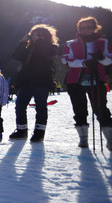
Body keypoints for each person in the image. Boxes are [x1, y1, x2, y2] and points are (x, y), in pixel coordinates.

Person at [62, 17, 112, 148]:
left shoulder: (103, 42)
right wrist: (84, 63)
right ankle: (83, 139)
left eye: (89, 27)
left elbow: (109, 60)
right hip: (75, 80)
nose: (85, 30)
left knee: (101, 109)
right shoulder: (70, 43)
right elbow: (68, 61)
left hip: (97, 79)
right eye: (82, 28)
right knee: (79, 109)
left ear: (95, 28)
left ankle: (110, 139)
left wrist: (101, 58)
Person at [9, 24, 59, 142]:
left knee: (41, 107)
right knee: (20, 106)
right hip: (26, 81)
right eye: (34, 35)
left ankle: (39, 133)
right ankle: (21, 131)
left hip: (42, 82)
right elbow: (16, 56)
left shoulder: (52, 47)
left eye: (40, 35)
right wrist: (22, 42)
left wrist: (40, 42)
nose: (36, 37)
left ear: (46, 37)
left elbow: (48, 55)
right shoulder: (28, 48)